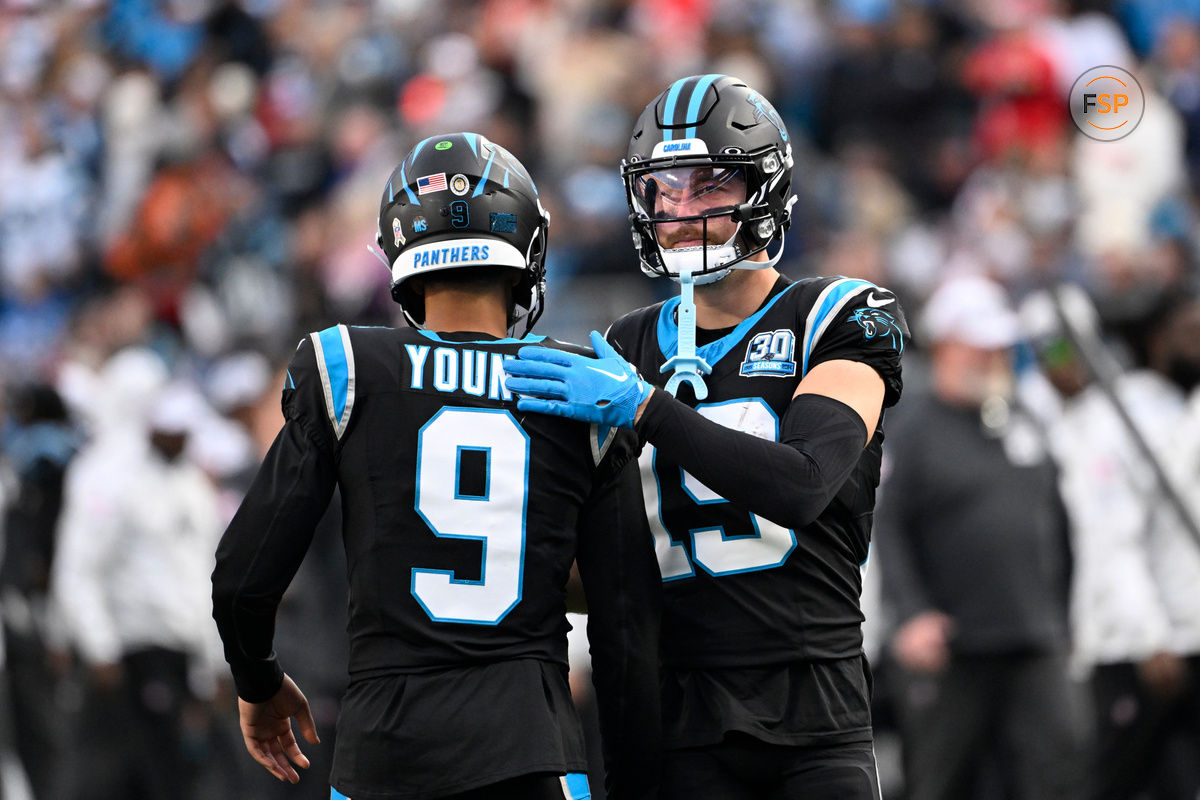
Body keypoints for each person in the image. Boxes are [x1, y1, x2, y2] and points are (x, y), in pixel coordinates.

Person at [211, 132, 662, 800]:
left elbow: (242, 580)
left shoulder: (347, 369)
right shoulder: (578, 383)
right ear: (527, 249)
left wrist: (259, 681)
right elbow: (627, 621)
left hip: (383, 756)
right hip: (530, 749)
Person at [504, 75, 906, 799]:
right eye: (665, 190)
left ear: (764, 189)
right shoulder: (623, 347)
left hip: (812, 706)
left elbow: (804, 482)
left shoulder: (836, 315)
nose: (682, 211)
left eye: (710, 186)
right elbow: (604, 570)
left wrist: (647, 408)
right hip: (675, 715)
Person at [872, 276, 1086, 800]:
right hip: (950, 647)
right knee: (943, 780)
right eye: (981, 343)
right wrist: (912, 614)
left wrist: (1064, 617)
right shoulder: (914, 429)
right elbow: (888, 530)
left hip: (1033, 637)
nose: (996, 355)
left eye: (1001, 345)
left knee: (1060, 770)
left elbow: (1059, 524)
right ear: (946, 343)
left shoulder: (1025, 419)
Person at [1020, 287, 1200, 800]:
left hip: (1154, 634)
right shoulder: (1048, 418)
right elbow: (1095, 539)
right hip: (1113, 638)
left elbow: (1118, 537)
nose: (1063, 363)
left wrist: (1149, 631)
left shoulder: (1127, 411)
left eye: (1070, 346)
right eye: (1048, 351)